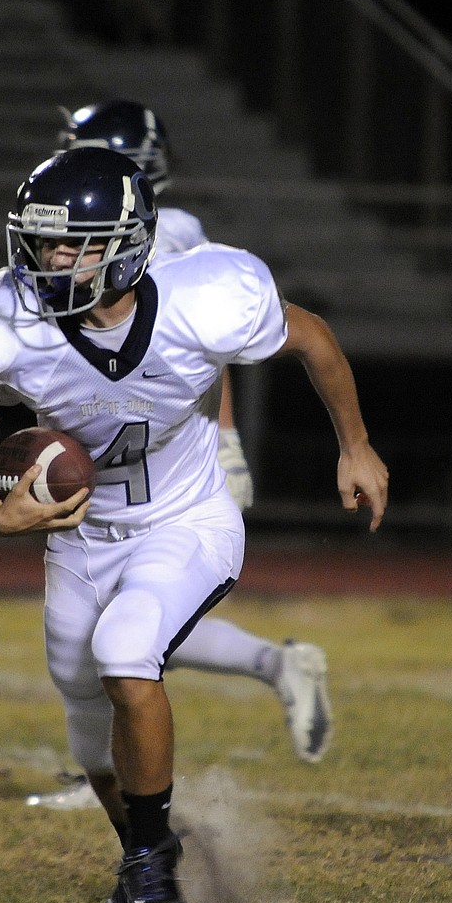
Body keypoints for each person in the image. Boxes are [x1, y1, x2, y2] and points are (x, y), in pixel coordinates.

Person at [0, 147, 388, 903]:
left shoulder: (203, 300)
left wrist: (355, 444)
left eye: (74, 245)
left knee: (127, 650)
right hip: (82, 541)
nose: (51, 262)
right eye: (41, 243)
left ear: (131, 244)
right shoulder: (5, 326)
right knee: (86, 728)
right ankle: (153, 858)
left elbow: (311, 336)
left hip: (187, 521)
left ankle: (150, 881)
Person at [25, 99, 332, 812]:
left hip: (166, 457)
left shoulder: (171, 233)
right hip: (110, 449)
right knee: (120, 625)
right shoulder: (82, 232)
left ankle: (133, 769)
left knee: (130, 623)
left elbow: (186, 346)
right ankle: (274, 665)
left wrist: (224, 438)